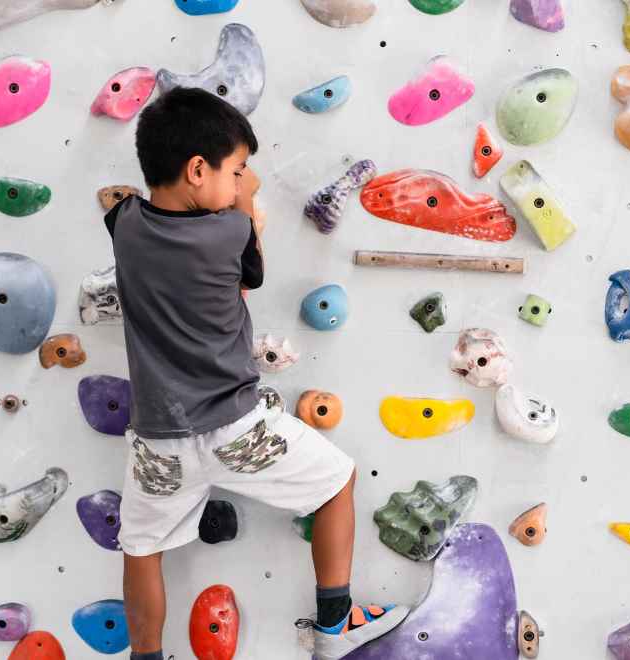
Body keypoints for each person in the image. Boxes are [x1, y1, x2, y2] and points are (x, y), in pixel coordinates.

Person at [105, 87, 407, 660]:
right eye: (235, 168)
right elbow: (255, 273)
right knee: (337, 481)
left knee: (142, 549)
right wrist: (246, 200)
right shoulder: (227, 231)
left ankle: (145, 657)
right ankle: (335, 625)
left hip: (157, 443)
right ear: (198, 170)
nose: (242, 177)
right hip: (236, 431)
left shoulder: (121, 222)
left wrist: (234, 184)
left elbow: (154, 223)